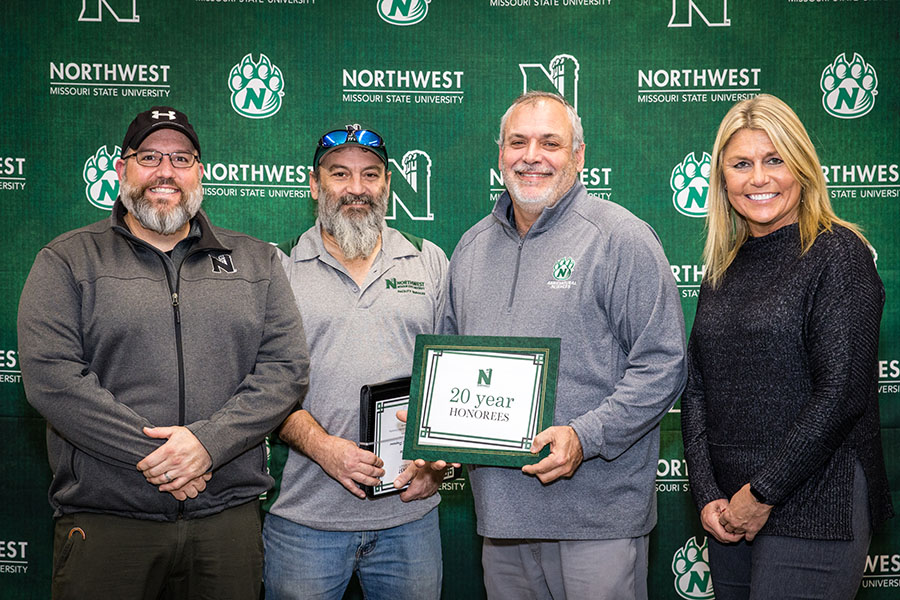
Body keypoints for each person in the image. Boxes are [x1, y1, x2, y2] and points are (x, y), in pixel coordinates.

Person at [17, 106, 310, 600]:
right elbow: (52, 378)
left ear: (201, 172)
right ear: (121, 169)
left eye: (181, 158)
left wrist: (207, 445)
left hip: (225, 524)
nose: (165, 171)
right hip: (109, 523)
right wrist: (163, 456)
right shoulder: (67, 260)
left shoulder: (256, 261)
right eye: (149, 156)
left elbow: (285, 370)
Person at [443, 91, 687, 599]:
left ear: (578, 156)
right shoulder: (469, 248)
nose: (531, 156)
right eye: (518, 142)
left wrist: (585, 436)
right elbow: (450, 363)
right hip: (501, 521)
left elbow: (664, 363)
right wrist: (434, 430)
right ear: (500, 153)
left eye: (550, 143)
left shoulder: (620, 238)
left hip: (596, 518)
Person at [681, 94, 893, 599]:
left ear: (801, 166)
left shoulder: (838, 253)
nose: (759, 179)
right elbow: (696, 389)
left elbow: (841, 393)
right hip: (729, 516)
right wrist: (709, 494)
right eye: (741, 164)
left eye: (774, 160)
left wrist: (763, 493)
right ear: (722, 177)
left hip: (819, 503)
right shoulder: (722, 267)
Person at [263, 124, 449, 600]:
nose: (356, 188)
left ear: (386, 184)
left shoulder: (428, 262)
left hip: (409, 520)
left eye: (370, 175)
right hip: (305, 522)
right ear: (314, 184)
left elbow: (453, 380)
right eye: (339, 174)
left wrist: (439, 467)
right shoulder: (276, 268)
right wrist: (324, 448)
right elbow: (259, 388)